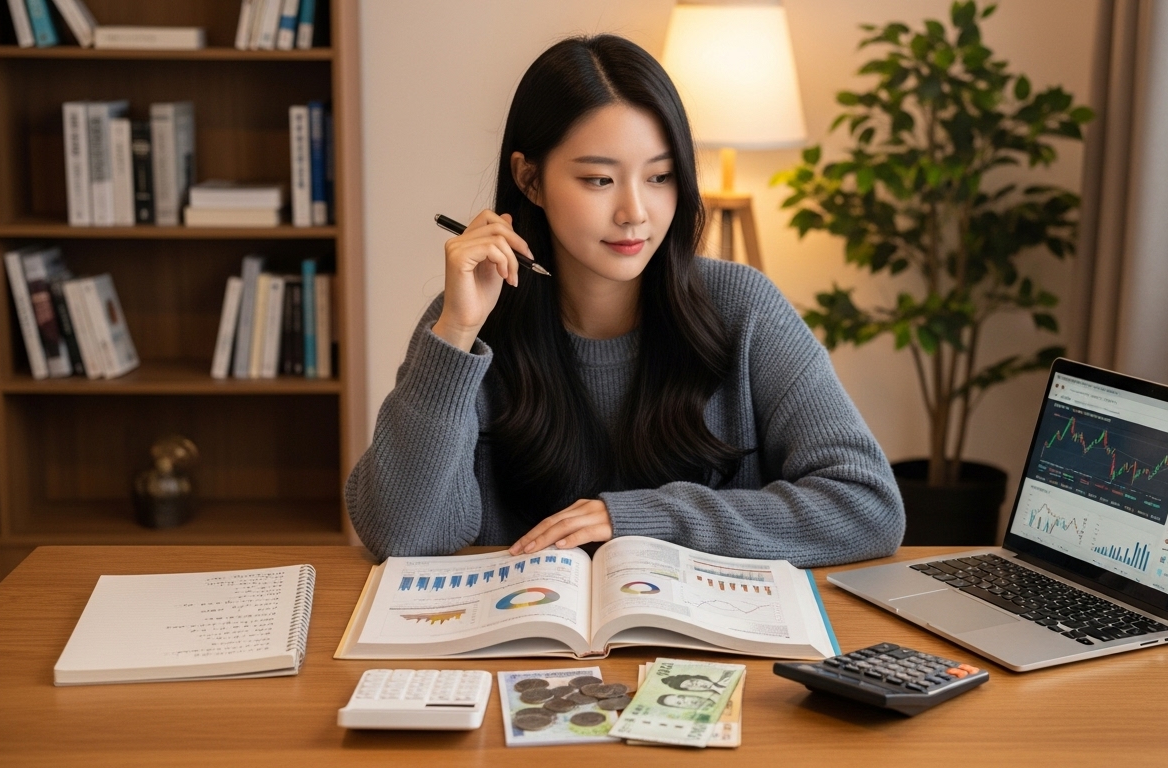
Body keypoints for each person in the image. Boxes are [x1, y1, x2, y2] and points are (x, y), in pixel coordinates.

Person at [346, 34, 903, 568]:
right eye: (598, 180)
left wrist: (643, 518)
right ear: (530, 180)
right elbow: (401, 535)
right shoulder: (469, 324)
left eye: (659, 176)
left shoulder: (743, 308)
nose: (635, 211)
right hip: (521, 650)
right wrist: (457, 333)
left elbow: (868, 505)